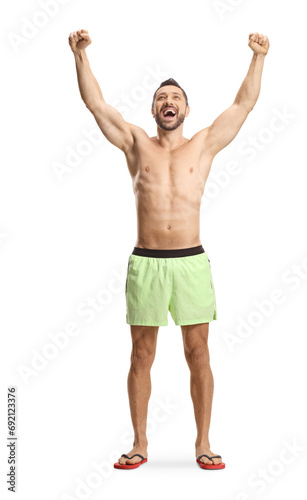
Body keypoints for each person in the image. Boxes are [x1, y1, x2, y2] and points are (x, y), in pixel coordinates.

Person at [68, 29, 270, 470]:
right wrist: (80, 56)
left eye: (174, 96)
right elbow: (97, 105)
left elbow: (243, 106)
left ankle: (203, 442)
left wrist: (258, 57)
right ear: (155, 109)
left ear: (186, 108)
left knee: (199, 353)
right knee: (141, 354)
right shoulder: (136, 144)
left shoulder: (204, 143)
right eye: (161, 96)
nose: (168, 101)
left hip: (191, 262)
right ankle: (140, 442)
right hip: (147, 263)